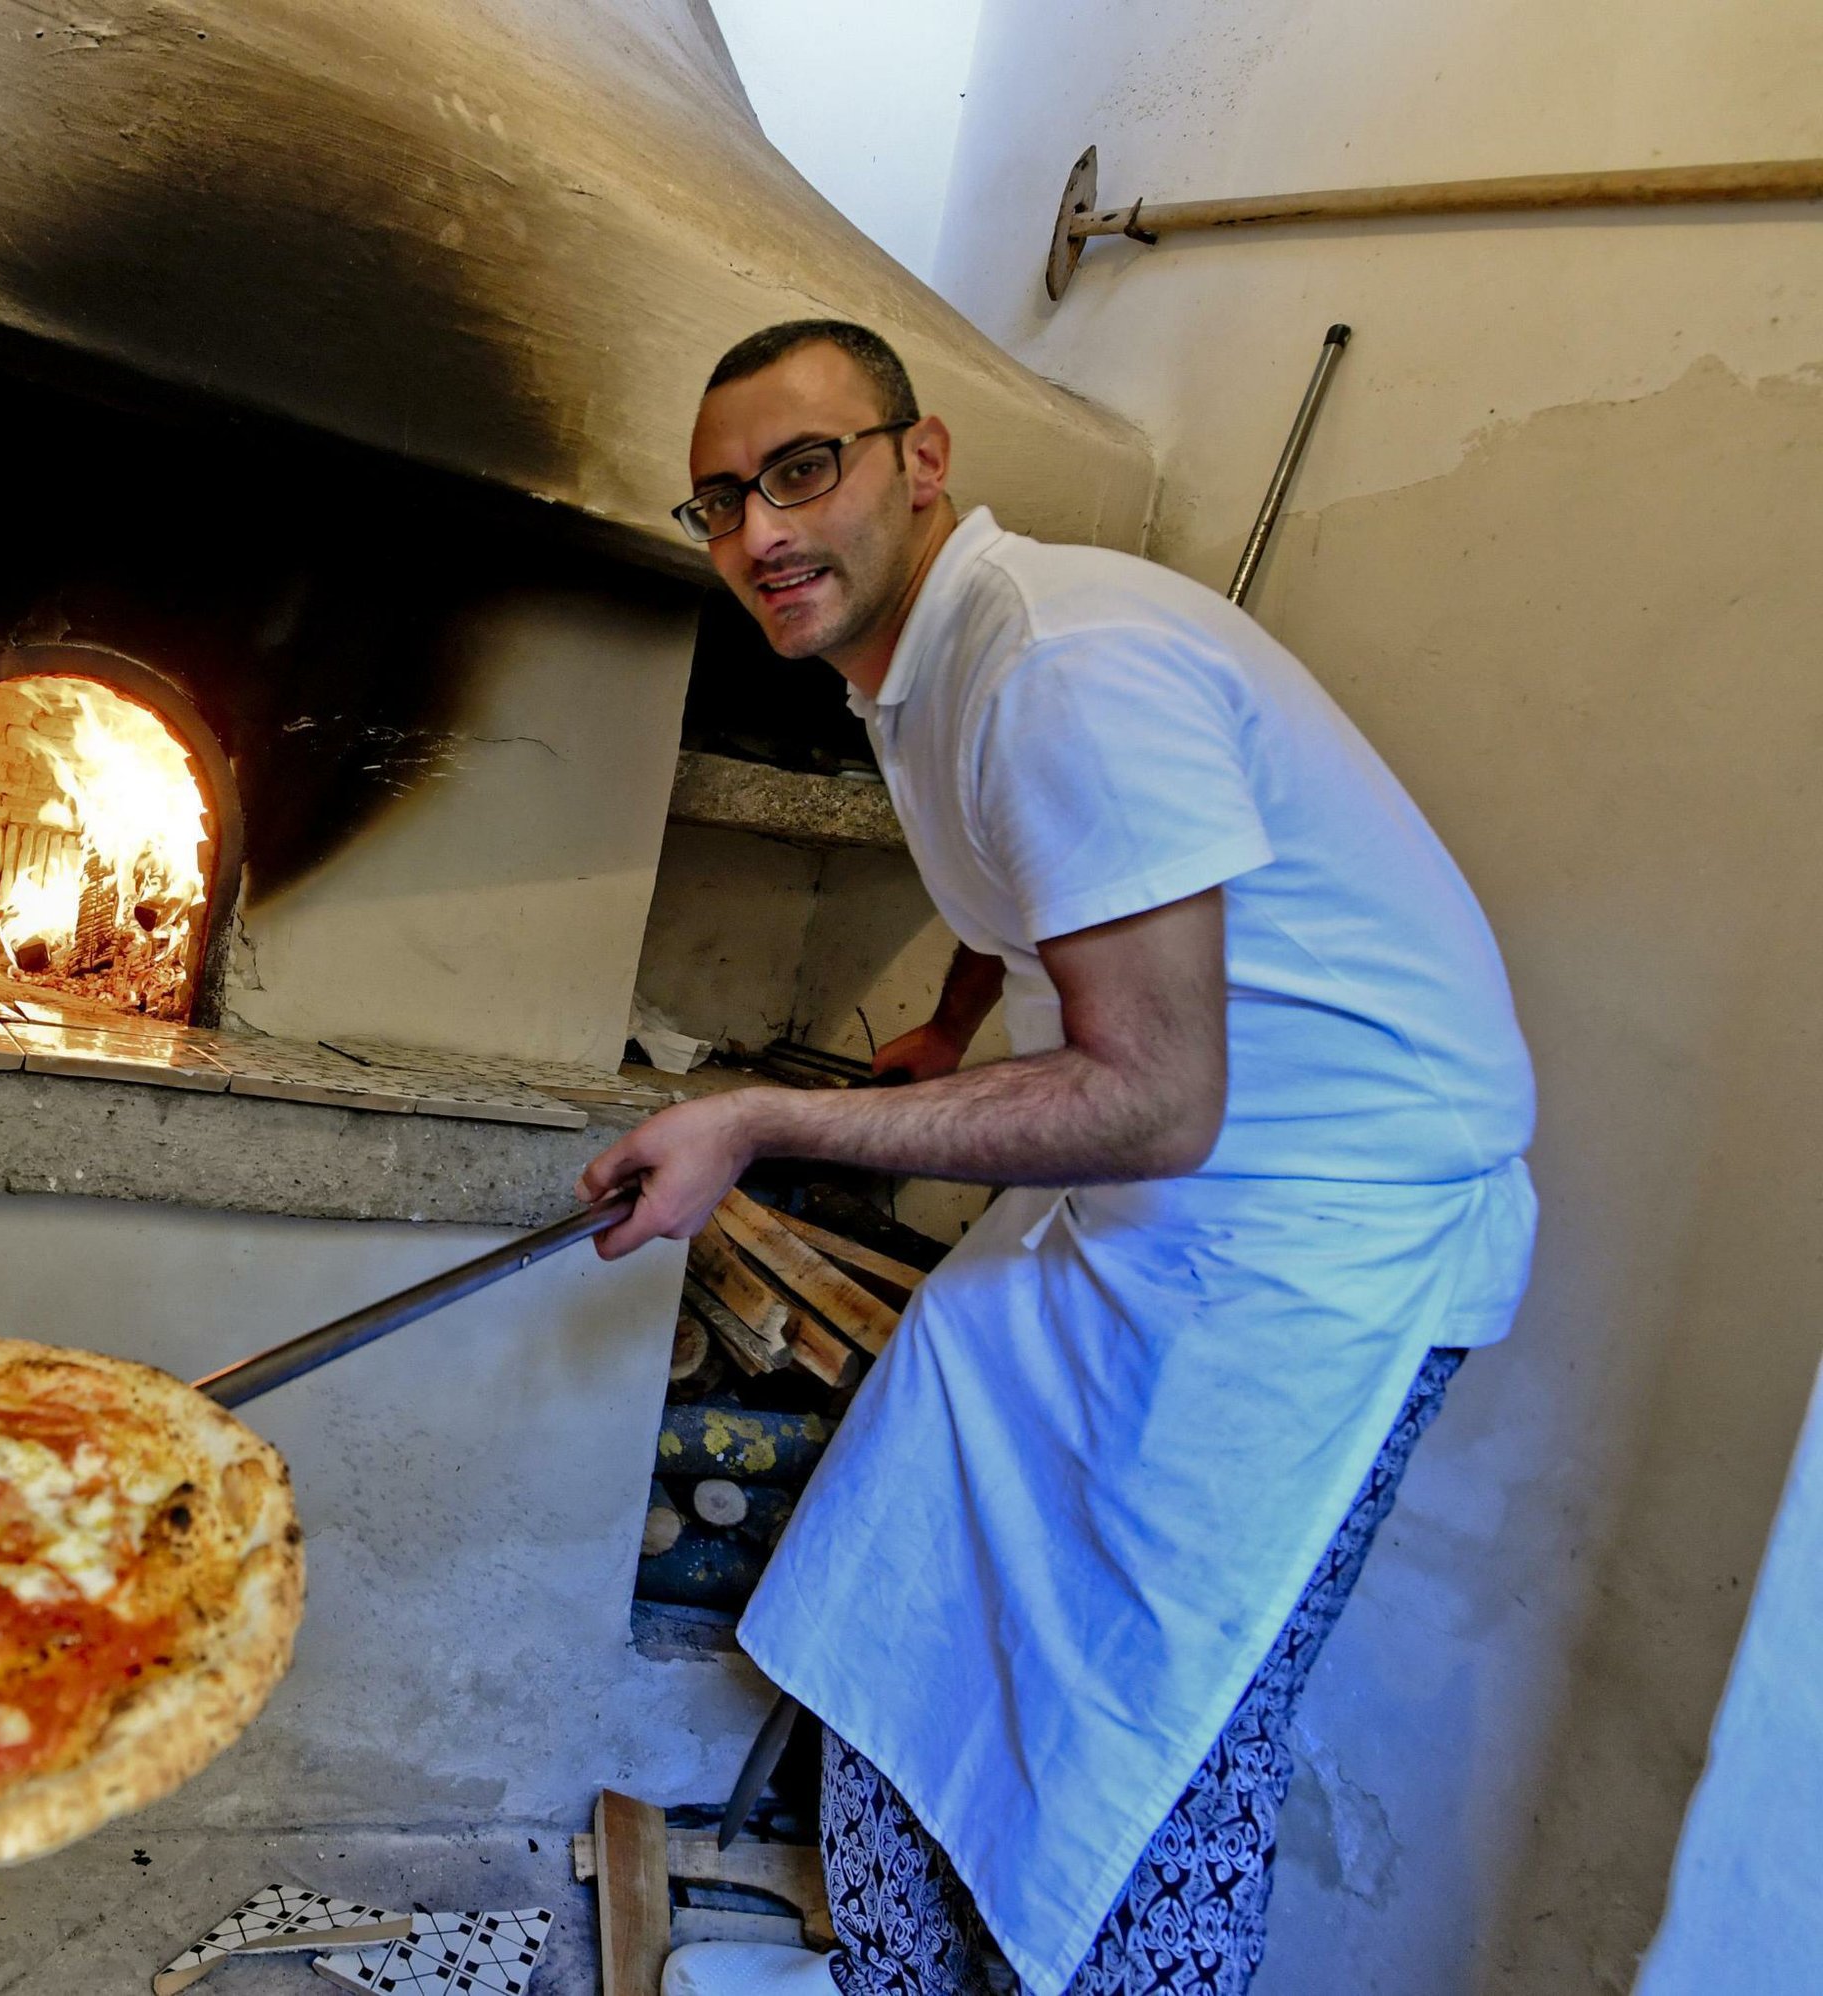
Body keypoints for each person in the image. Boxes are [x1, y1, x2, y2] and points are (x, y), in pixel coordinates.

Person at [584, 322, 1537, 1996]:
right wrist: (955, 1024)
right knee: (886, 1612)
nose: (761, 536)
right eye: (721, 502)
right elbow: (1030, 878)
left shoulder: (1059, 665)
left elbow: (1158, 1095)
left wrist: (758, 1116)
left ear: (924, 457)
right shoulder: (921, 659)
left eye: (804, 472)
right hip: (1161, 1204)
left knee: (1149, 1764)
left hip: (1311, 1254)